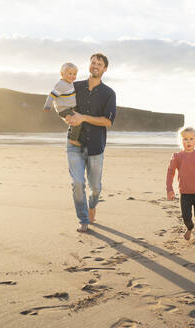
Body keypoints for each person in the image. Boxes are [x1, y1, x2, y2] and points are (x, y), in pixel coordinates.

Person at [64, 53, 116, 233]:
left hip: (95, 147)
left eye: (99, 64)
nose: (95, 65)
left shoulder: (109, 93)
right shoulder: (74, 86)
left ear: (105, 69)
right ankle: (83, 219)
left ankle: (92, 206)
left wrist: (83, 117)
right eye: (93, 62)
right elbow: (62, 106)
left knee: (95, 187)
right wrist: (67, 117)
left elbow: (108, 121)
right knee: (77, 183)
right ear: (89, 65)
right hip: (74, 144)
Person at [43, 62, 82, 146]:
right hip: (63, 109)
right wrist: (47, 105)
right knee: (77, 122)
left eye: (74, 74)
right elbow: (51, 95)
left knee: (76, 119)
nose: (72, 76)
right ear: (62, 74)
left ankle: (72, 133)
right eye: (70, 73)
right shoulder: (60, 84)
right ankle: (73, 139)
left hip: (70, 108)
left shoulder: (70, 83)